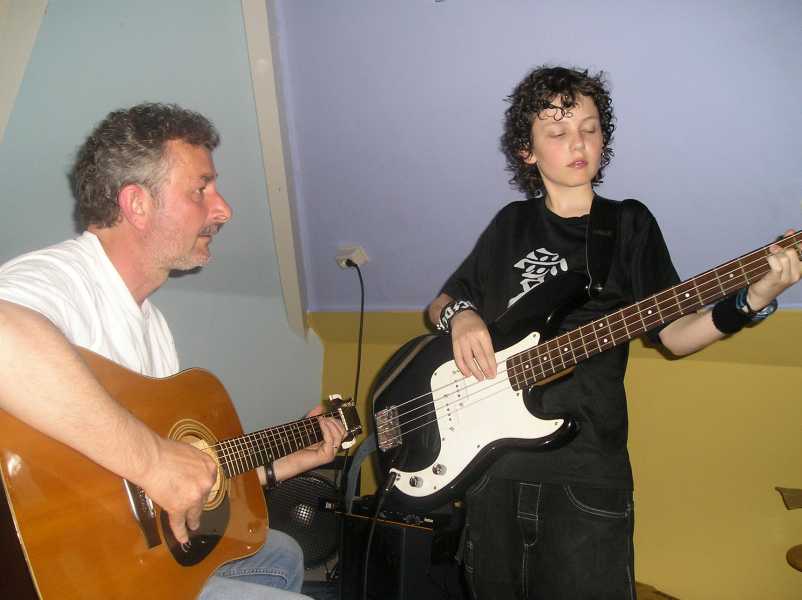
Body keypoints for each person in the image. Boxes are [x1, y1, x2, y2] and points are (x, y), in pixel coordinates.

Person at [426, 66, 801, 599]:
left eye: (590, 128)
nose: (578, 143)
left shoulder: (628, 224)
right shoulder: (511, 224)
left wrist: (751, 300)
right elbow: (442, 302)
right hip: (493, 471)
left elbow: (674, 335)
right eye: (558, 132)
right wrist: (462, 316)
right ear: (528, 152)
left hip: (586, 472)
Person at [0, 103, 345, 599]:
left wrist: (277, 466)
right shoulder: (61, 278)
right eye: (201, 190)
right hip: (73, 573)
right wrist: (152, 460)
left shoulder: (153, 326)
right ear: (137, 204)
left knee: (280, 553)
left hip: (131, 552)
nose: (223, 210)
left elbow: (165, 489)